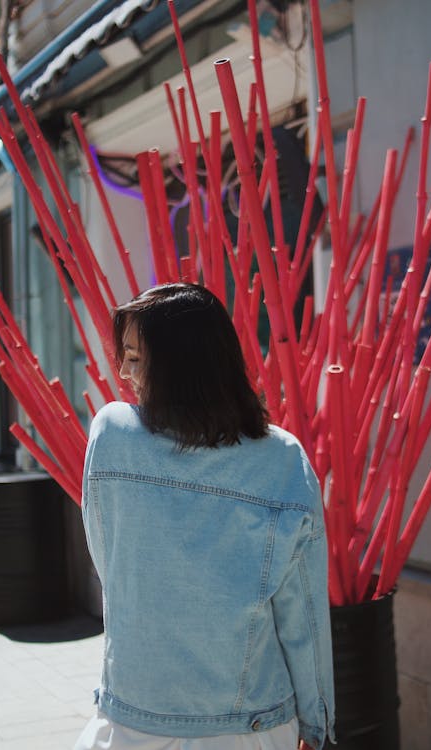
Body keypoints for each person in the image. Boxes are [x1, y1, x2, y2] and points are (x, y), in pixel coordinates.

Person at [75, 282, 335, 750]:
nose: (123, 371)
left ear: (179, 365)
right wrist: (316, 722)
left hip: (136, 721)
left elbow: (108, 560)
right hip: (253, 725)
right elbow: (303, 613)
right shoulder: (282, 459)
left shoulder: (112, 436)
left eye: (134, 357)